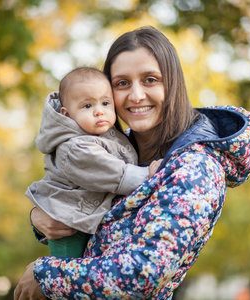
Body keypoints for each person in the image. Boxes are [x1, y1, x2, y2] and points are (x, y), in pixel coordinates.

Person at [15, 26, 250, 300]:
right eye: (122, 83)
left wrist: (46, 274)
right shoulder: (116, 150)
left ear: (173, 83)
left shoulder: (195, 168)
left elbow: (140, 276)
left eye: (150, 80)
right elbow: (86, 207)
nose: (135, 95)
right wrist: (39, 219)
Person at [26, 67, 162, 258]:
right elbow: (113, 173)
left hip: (84, 216)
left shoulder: (102, 135)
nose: (99, 112)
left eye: (105, 103)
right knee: (64, 270)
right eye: (87, 106)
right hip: (68, 223)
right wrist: (147, 173)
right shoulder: (75, 147)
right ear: (66, 114)